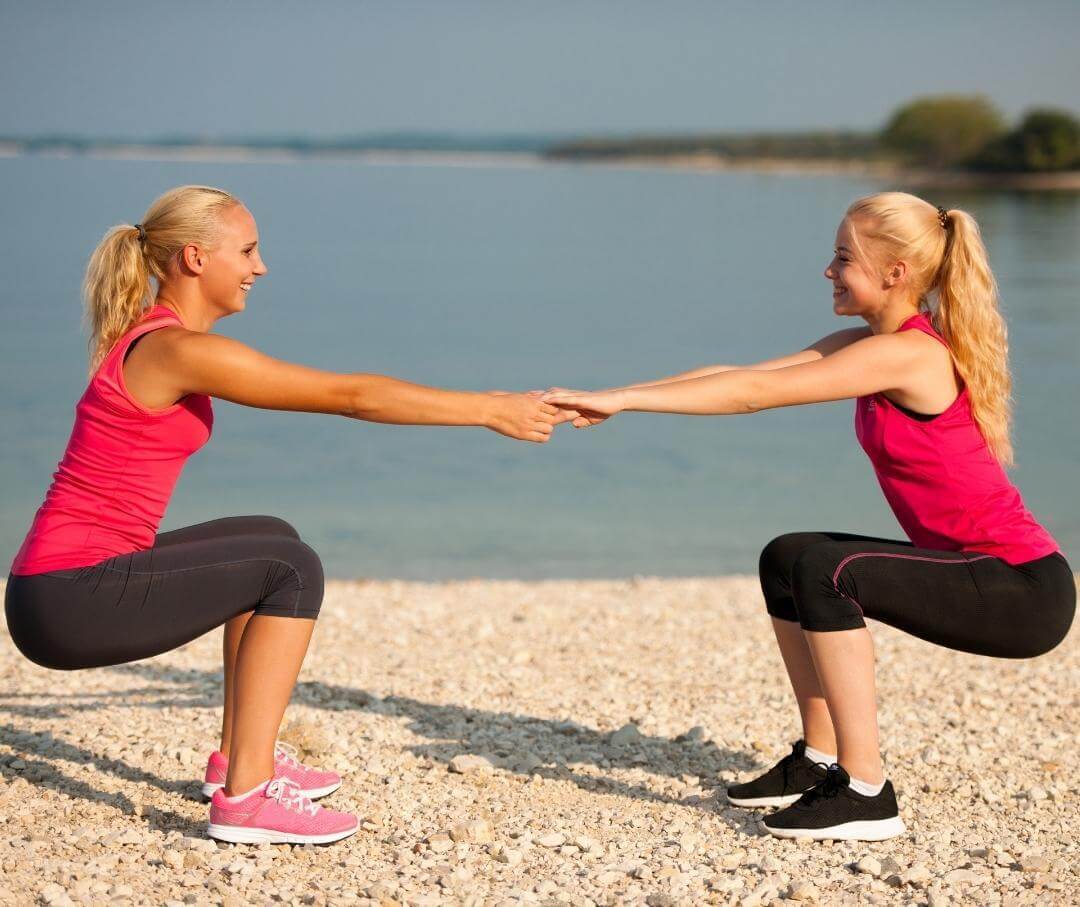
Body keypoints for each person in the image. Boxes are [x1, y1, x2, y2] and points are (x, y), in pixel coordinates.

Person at [4, 185, 561, 846]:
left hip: (60, 587)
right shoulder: (179, 351)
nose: (259, 266)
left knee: (271, 538)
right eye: (246, 250)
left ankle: (238, 760)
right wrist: (488, 410)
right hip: (68, 598)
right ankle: (245, 799)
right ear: (193, 259)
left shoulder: (161, 340)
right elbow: (349, 395)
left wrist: (488, 399)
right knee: (290, 568)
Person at [543, 192, 1075, 841]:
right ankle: (821, 759)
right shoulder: (864, 344)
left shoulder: (908, 355)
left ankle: (867, 789)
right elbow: (741, 373)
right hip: (980, 570)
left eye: (843, 258)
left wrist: (624, 400)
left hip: (1020, 587)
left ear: (894, 273)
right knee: (787, 556)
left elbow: (751, 397)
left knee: (828, 569)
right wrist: (618, 394)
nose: (828, 270)